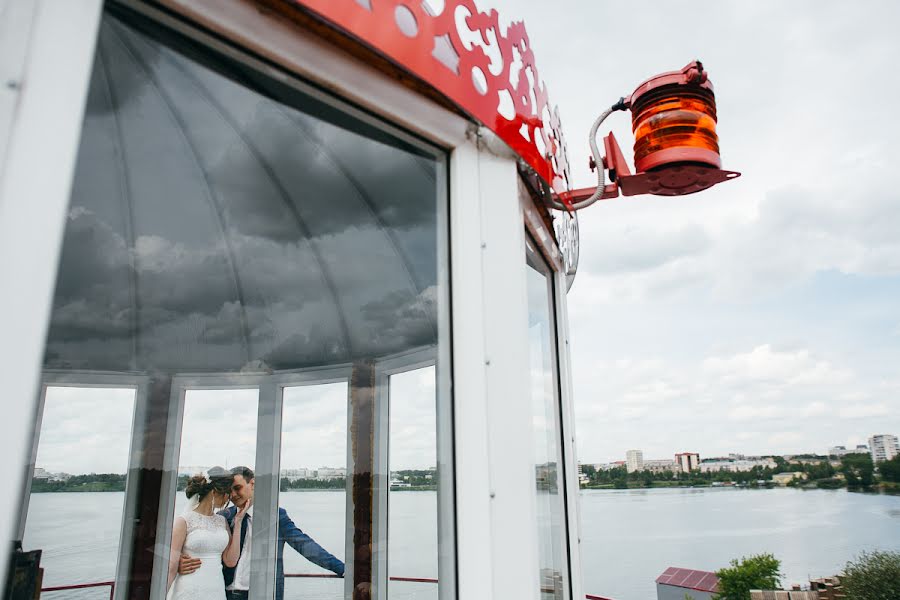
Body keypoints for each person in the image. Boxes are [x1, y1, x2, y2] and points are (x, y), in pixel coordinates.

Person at [179, 466, 344, 600]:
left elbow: (306, 546)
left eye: (238, 488)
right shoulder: (223, 517)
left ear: (253, 484)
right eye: (230, 490)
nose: (233, 495)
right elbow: (200, 546)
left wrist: (343, 569)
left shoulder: (276, 516)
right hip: (226, 594)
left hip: (265, 594)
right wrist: (178, 561)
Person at [167, 472, 251, 600]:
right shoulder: (183, 521)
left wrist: (238, 521)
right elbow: (171, 566)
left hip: (216, 588)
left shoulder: (221, 521)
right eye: (227, 493)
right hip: (189, 587)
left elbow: (230, 561)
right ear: (214, 492)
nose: (230, 498)